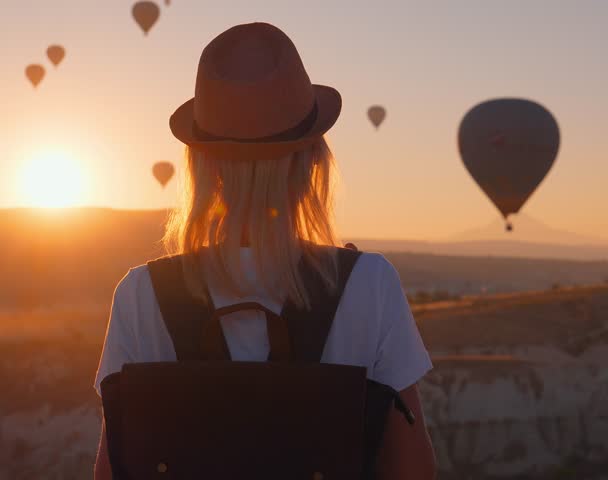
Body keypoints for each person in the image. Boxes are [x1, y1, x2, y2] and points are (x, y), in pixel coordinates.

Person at [93, 22, 436, 479]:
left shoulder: (140, 294)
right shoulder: (368, 284)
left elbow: (111, 471)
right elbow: (411, 470)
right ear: (313, 162)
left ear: (201, 167)